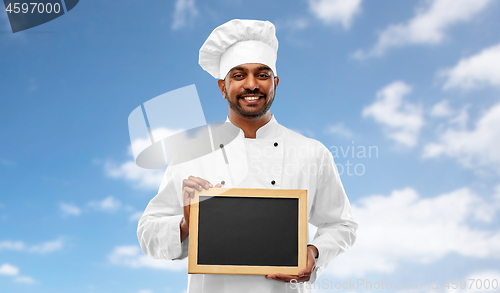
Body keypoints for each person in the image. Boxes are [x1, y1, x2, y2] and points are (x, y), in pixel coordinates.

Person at [137, 19, 358, 293]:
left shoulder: (312, 152)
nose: (252, 85)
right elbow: (147, 234)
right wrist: (185, 224)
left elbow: (341, 224)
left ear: (275, 83)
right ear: (222, 87)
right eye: (239, 75)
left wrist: (314, 253)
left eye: (262, 75)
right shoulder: (191, 152)